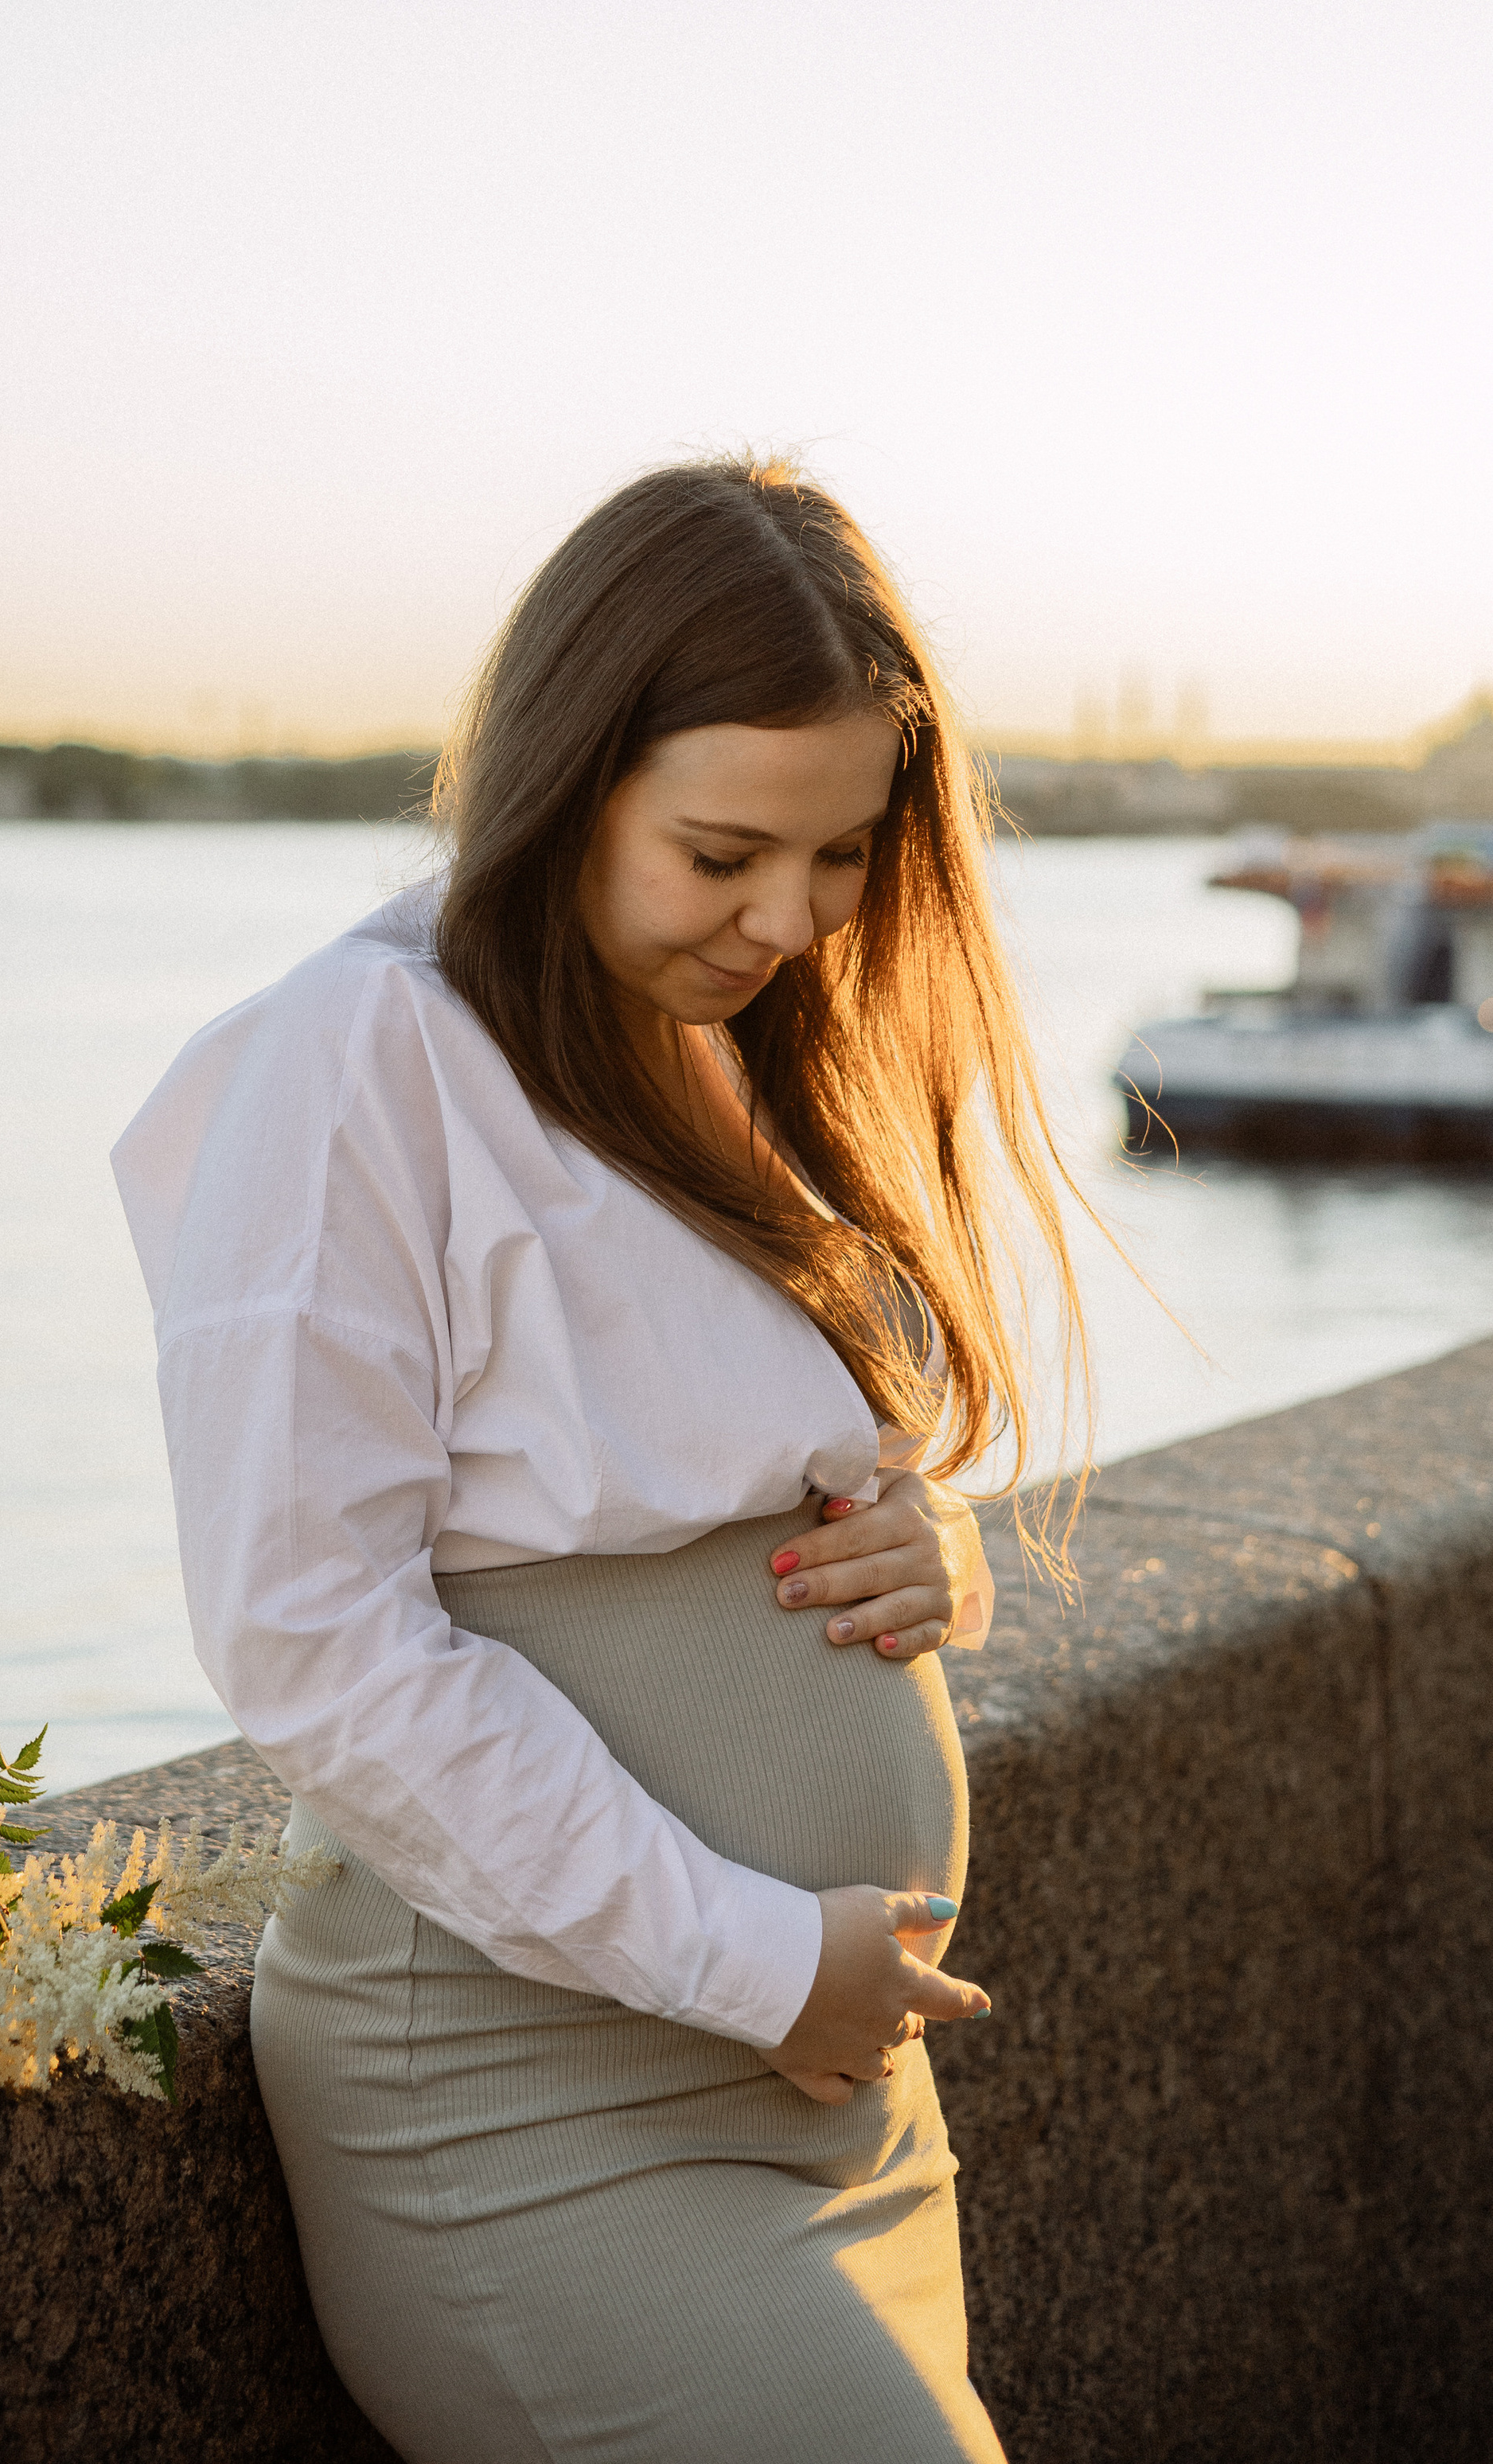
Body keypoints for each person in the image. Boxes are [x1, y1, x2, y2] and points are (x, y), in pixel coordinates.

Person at [113, 458, 1086, 2462]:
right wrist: (750, 1958)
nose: (787, 919)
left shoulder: (730, 1034)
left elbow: (732, 1449)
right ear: (571, 771)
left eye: (837, 859)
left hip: (828, 2087)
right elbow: (309, 1638)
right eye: (722, 850)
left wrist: (925, 1551)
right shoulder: (358, 1060)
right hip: (537, 2103)